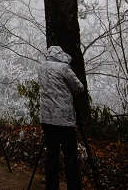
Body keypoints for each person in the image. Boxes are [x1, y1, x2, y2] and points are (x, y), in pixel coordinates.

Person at [37, 45, 85, 190]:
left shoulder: (42, 67)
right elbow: (79, 88)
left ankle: (52, 187)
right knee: (70, 157)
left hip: (47, 120)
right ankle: (74, 186)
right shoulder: (64, 68)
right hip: (64, 121)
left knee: (52, 156)